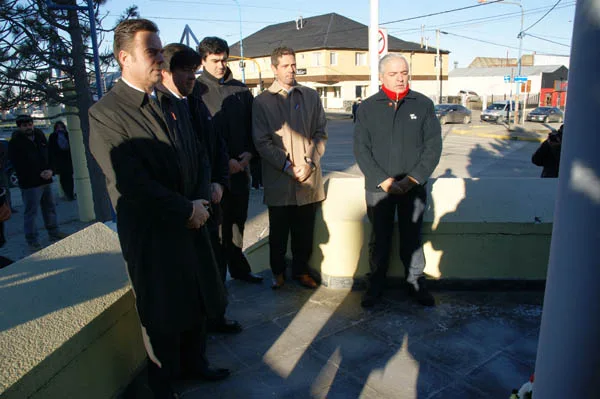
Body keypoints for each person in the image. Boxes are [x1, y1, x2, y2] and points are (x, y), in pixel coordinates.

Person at [89, 20, 229, 398]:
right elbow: (132, 183)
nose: (159, 58)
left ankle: (196, 362)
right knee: (163, 311)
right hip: (154, 233)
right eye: (151, 50)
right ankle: (165, 384)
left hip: (193, 218)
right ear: (124, 58)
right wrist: (186, 208)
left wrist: (200, 200)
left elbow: (197, 155)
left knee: (197, 296)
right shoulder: (106, 113)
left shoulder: (168, 101)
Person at [353, 53, 442, 308]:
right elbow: (361, 149)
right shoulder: (368, 108)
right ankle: (375, 286)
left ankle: (415, 283)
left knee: (412, 237)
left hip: (413, 187)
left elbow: (433, 147)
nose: (400, 78)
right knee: (379, 239)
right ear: (381, 77)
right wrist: (384, 181)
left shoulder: (423, 105)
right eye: (393, 74)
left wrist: (413, 179)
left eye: (404, 72)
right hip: (379, 188)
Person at [252, 46, 327, 290]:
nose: (291, 70)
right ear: (274, 69)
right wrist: (287, 166)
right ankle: (278, 273)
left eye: (293, 64)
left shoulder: (311, 96)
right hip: (279, 179)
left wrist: (308, 163)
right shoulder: (262, 102)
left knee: (304, 232)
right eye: (285, 65)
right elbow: (261, 141)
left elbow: (320, 133)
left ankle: (301, 271)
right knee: (278, 234)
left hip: (308, 177)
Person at [194, 36, 263, 285]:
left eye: (224, 60)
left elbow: (254, 127)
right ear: (203, 61)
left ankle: (239, 269)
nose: (221, 65)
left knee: (237, 225)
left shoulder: (241, 90)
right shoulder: (196, 92)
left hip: (241, 171)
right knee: (217, 230)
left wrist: (249, 154)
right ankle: (217, 280)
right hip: (214, 178)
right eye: (215, 61)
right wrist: (223, 165)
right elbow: (198, 138)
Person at [9, 114, 67, 251]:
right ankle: (32, 240)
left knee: (50, 208)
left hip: (46, 179)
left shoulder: (40, 135)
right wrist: (38, 173)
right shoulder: (15, 142)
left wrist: (51, 170)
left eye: (30, 124)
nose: (28, 127)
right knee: (31, 212)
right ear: (19, 127)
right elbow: (19, 165)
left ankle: (54, 232)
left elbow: (49, 155)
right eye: (25, 125)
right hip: (30, 184)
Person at [48, 120, 75, 201]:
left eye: (61, 127)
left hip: (67, 159)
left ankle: (71, 193)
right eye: (58, 127)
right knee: (63, 178)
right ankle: (67, 193)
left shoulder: (67, 135)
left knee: (70, 178)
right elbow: (51, 149)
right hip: (59, 160)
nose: (60, 129)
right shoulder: (53, 136)